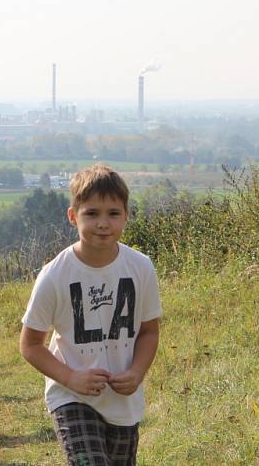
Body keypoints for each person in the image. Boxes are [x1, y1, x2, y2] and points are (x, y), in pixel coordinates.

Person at [19, 164, 161, 466]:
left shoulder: (141, 267)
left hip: (123, 400)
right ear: (73, 216)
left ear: (126, 215)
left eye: (113, 213)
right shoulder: (55, 275)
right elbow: (30, 344)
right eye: (92, 213)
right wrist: (70, 377)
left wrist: (137, 372)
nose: (103, 224)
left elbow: (149, 330)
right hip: (71, 397)